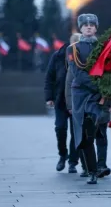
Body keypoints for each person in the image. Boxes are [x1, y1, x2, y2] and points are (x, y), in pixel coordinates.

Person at [67, 13, 111, 184]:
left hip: (98, 96)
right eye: (85, 25)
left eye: (92, 25)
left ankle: (96, 169)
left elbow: (110, 71)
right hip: (81, 95)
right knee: (85, 134)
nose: (89, 27)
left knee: (93, 129)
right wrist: (98, 86)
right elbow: (78, 74)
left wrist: (107, 95)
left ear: (96, 27)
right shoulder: (72, 49)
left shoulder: (104, 47)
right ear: (80, 28)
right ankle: (91, 169)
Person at [45, 33, 81, 173]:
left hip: (77, 100)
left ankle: (73, 161)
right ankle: (62, 155)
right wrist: (49, 97)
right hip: (61, 100)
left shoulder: (83, 56)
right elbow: (49, 78)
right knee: (60, 129)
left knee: (75, 132)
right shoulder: (58, 56)